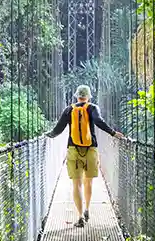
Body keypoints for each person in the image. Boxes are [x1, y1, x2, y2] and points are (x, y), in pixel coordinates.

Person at [46, 85, 124, 227]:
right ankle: (87, 208)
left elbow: (58, 129)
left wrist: (48, 136)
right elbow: (99, 122)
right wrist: (113, 133)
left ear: (77, 96)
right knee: (88, 182)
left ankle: (80, 216)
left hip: (73, 149)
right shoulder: (92, 107)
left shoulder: (69, 110)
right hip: (90, 149)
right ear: (88, 96)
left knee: (76, 184)